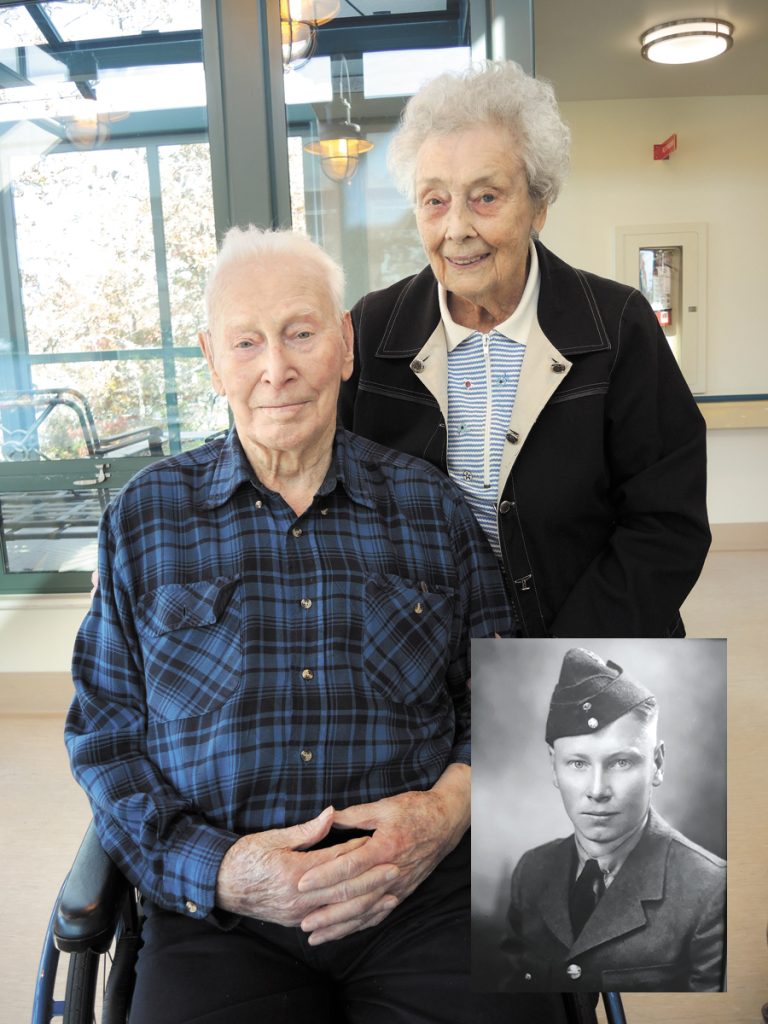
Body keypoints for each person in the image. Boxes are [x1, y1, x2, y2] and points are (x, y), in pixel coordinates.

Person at [64, 225, 571, 1023]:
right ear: (212, 359)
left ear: (344, 346)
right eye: (246, 342)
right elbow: (105, 739)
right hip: (222, 913)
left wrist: (444, 815)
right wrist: (218, 869)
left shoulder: (430, 507)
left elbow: (504, 702)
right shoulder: (144, 519)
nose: (277, 369)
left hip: (422, 890)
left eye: (301, 333)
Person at [338, 60, 710, 638]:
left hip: (589, 648)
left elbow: (666, 524)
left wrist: (555, 666)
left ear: (539, 206)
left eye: (486, 197)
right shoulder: (372, 329)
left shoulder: (617, 325)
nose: (456, 228)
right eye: (434, 200)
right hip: (426, 660)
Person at [500, 646, 726, 993]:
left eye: (621, 762)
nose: (597, 790)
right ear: (553, 766)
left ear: (657, 765)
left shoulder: (711, 890)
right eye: (578, 763)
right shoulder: (531, 871)